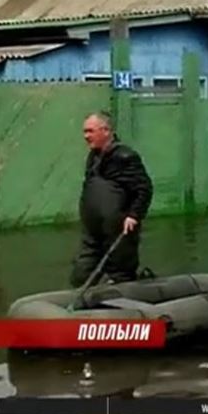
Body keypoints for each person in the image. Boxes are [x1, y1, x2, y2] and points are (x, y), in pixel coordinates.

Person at [69, 111, 153, 288]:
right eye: (85, 131)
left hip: (119, 229)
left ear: (106, 131)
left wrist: (134, 215)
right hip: (93, 231)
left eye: (90, 131)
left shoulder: (125, 157)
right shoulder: (94, 157)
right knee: (81, 273)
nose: (86, 136)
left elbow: (144, 188)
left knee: (119, 272)